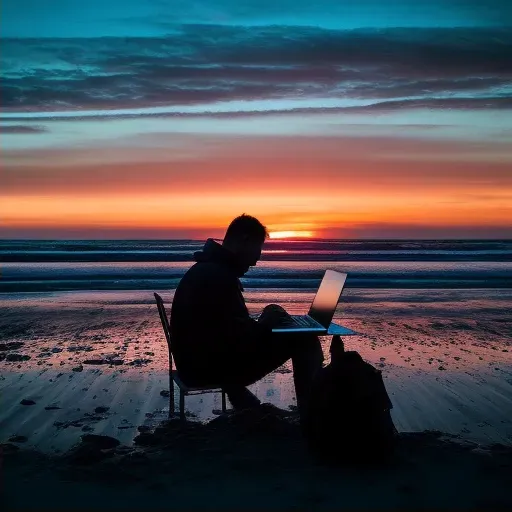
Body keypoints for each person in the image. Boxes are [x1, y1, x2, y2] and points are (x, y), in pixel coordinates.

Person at [170, 214, 324, 416]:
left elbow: (223, 330)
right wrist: (267, 324)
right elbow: (237, 339)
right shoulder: (218, 277)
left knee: (275, 315)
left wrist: (268, 318)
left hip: (195, 362)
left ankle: (245, 400)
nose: (259, 257)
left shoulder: (208, 269)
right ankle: (311, 413)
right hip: (206, 370)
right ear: (245, 240)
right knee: (306, 340)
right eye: (259, 247)